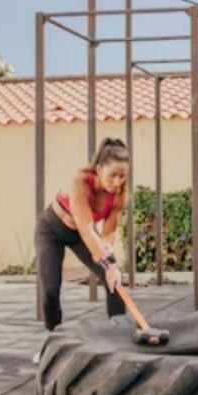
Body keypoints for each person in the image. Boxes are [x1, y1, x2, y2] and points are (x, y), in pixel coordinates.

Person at [33, 137, 130, 361]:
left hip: (79, 236)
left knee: (113, 281)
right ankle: (52, 345)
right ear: (98, 169)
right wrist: (107, 262)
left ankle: (121, 339)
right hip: (51, 231)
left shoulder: (119, 195)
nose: (117, 182)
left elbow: (108, 232)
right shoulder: (80, 182)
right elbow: (87, 228)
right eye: (112, 175)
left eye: (122, 176)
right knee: (50, 290)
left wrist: (110, 264)